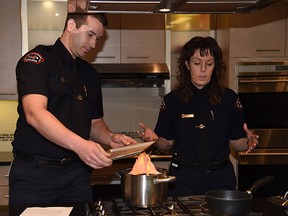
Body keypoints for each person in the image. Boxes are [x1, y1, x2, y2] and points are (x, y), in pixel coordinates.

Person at [9, 13, 137, 205]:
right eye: (90, 35)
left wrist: (109, 138)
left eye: (98, 39)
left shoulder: (90, 74)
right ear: (71, 25)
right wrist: (81, 146)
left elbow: (95, 123)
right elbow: (35, 114)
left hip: (76, 176)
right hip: (35, 175)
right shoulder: (38, 60)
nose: (93, 45)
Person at [138, 36, 259, 197]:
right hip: (184, 180)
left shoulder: (229, 99)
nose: (203, 69)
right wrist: (154, 140)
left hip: (221, 180)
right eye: (197, 63)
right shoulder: (172, 101)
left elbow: (237, 142)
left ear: (215, 66)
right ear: (187, 65)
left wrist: (249, 142)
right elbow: (166, 144)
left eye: (209, 64)